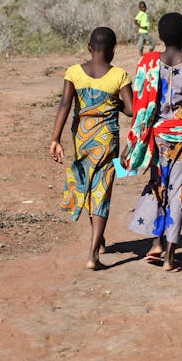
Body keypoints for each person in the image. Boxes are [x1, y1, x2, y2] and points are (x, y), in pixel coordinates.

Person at [124, 12, 182, 272]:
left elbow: (141, 100)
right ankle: (170, 258)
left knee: (158, 186)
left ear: (159, 37)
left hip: (158, 135)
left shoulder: (151, 62)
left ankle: (156, 244)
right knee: (177, 193)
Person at [50, 27, 133, 270]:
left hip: (82, 139)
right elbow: (131, 110)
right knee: (102, 190)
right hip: (108, 141)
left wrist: (55, 139)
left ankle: (100, 239)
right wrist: (113, 102)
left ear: (89, 48)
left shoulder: (73, 72)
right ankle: (93, 253)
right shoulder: (119, 75)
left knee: (88, 184)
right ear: (113, 50)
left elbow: (65, 105)